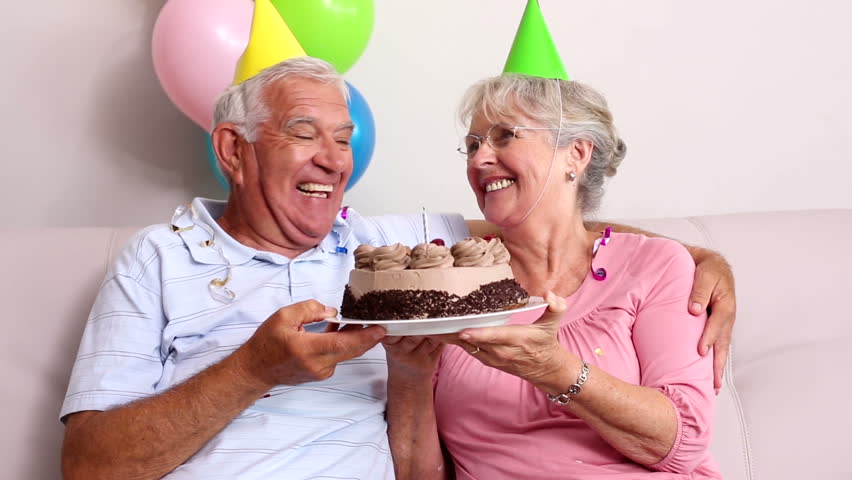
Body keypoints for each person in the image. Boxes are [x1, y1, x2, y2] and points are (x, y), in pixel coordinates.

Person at [60, 58, 733, 479]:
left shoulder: (390, 253)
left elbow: (544, 222)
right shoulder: (156, 258)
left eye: (345, 138)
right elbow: (89, 467)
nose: (334, 160)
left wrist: (702, 256)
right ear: (234, 151)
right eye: (304, 133)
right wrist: (252, 368)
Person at [385, 74, 723, 478]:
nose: (478, 160)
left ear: (576, 154)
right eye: (472, 145)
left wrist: (553, 369)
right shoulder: (449, 282)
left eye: (505, 136)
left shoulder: (655, 265)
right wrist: (409, 376)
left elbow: (682, 443)